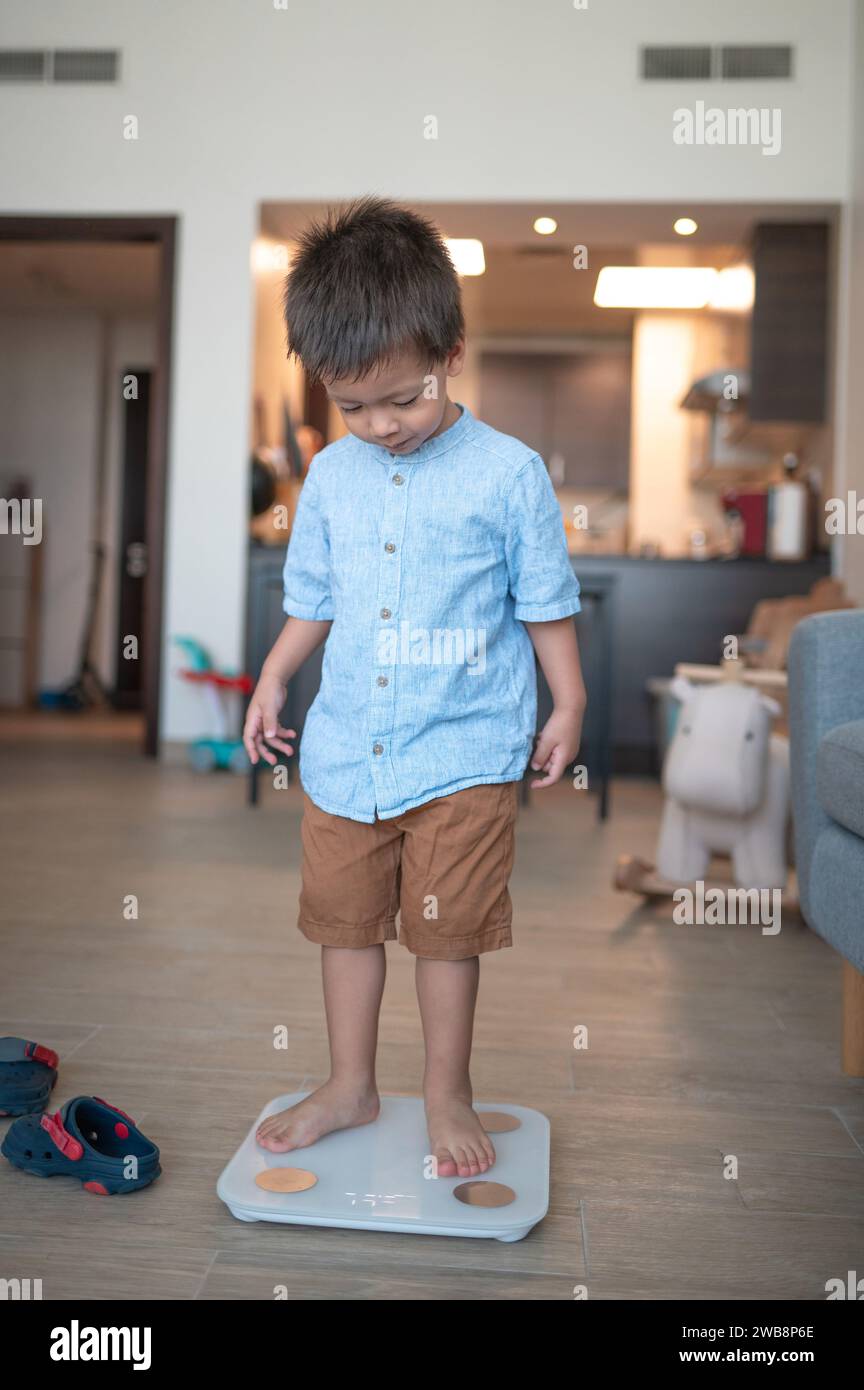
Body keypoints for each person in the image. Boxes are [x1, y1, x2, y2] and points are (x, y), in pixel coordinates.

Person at [243, 196, 586, 1179]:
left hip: (465, 751)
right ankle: (351, 1083)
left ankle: (447, 1092)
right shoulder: (331, 479)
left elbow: (545, 602)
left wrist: (569, 702)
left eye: (404, 398)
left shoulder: (509, 475)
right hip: (348, 749)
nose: (381, 424)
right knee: (346, 925)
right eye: (354, 406)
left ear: (454, 352)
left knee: (443, 936)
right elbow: (312, 599)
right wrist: (273, 679)